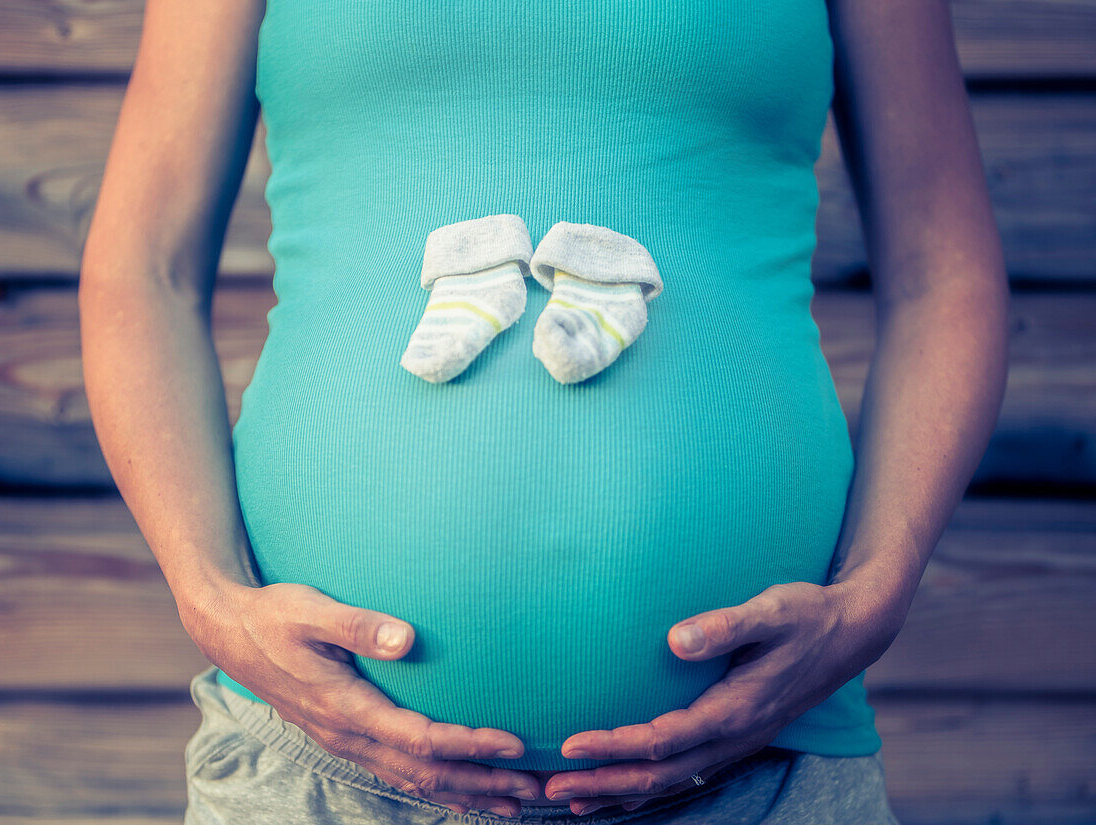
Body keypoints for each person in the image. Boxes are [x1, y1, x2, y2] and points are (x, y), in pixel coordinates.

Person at [79, 0, 1009, 822]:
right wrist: (212, 600)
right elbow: (143, 270)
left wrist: (878, 592)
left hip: (763, 768)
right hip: (314, 766)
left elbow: (944, 275)